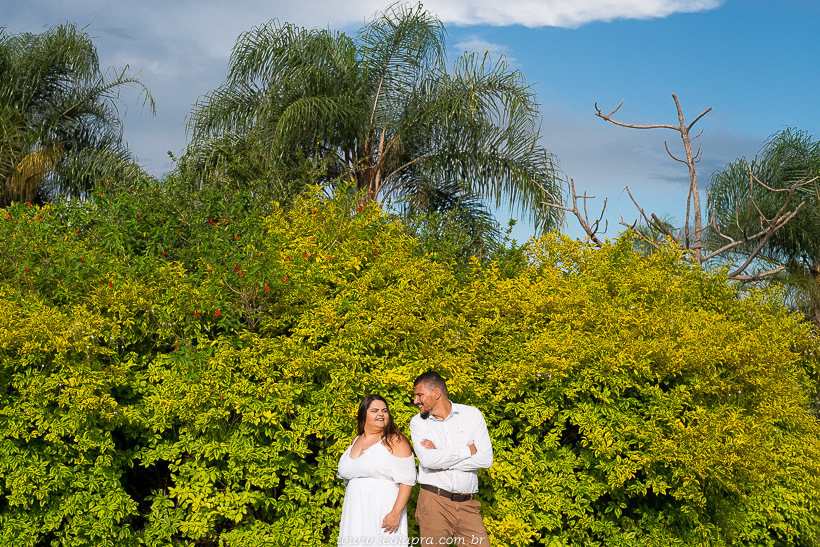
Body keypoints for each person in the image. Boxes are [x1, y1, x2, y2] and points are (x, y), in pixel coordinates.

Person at [410, 371, 493, 546]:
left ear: (437, 393)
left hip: (468, 505)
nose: (415, 400)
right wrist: (467, 451)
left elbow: (486, 459)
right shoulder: (418, 422)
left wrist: (440, 454)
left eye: (420, 395)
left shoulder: (472, 415)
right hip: (434, 503)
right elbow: (428, 461)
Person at [337, 394, 416, 545]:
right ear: (363, 414)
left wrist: (395, 513)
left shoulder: (394, 440)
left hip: (383, 510)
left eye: (384, 411)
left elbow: (408, 480)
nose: (381, 414)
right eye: (375, 410)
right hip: (355, 511)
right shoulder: (355, 440)